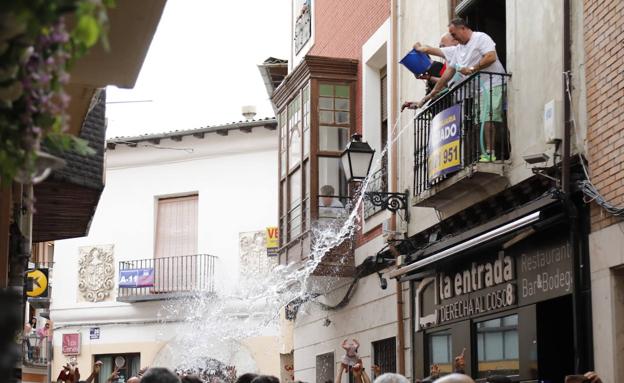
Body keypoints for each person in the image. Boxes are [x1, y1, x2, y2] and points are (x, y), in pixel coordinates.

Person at [416, 18, 506, 162]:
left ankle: (490, 152)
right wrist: (433, 93)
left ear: (463, 28)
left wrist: (472, 68)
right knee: (480, 119)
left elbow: (491, 57)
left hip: (493, 83)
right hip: (479, 90)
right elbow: (448, 73)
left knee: (488, 117)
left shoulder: (481, 38)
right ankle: (485, 152)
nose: (453, 37)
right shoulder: (458, 50)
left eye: (454, 34)